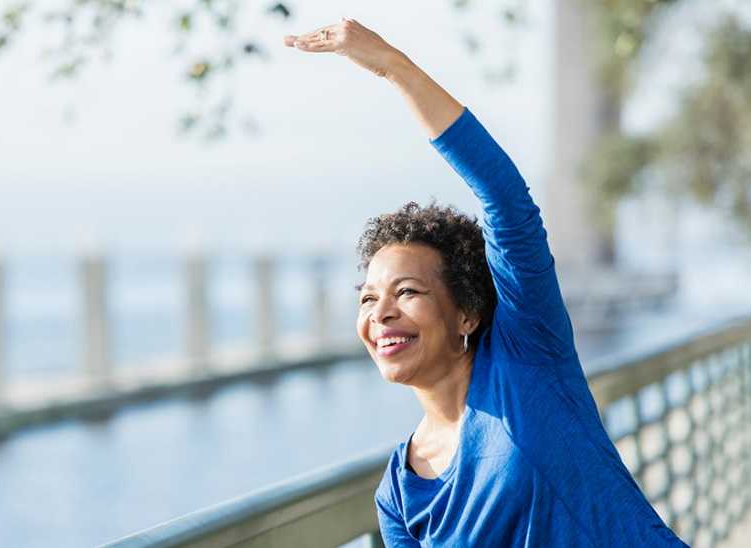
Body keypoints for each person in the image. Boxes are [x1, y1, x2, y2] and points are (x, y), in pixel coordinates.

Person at [284, 19, 687, 547]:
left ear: (467, 313)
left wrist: (391, 65)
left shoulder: (528, 359)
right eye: (368, 297)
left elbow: (504, 196)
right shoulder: (398, 494)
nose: (380, 313)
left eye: (406, 292)